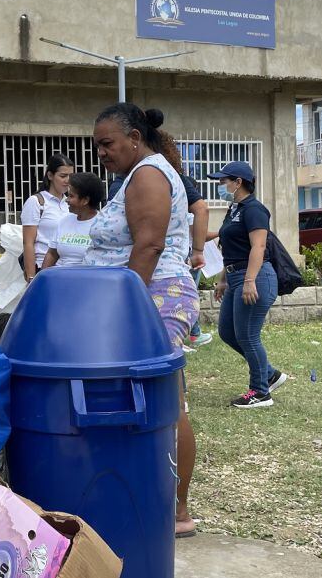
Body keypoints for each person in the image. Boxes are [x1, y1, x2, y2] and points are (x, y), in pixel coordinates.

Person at [83, 103, 199, 538]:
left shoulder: (148, 174)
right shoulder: (137, 175)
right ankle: (155, 500)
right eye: (97, 146)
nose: (101, 153)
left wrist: (125, 309)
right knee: (157, 401)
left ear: (135, 138)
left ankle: (175, 510)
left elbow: (148, 247)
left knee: (166, 403)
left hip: (155, 298)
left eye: (107, 143)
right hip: (144, 297)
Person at [209, 161, 288, 409]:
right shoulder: (234, 209)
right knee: (227, 332)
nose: (221, 185)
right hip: (235, 276)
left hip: (254, 277)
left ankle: (261, 392)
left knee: (248, 336)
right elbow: (230, 248)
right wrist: (223, 279)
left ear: (238, 182)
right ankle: (270, 374)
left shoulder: (254, 210)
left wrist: (249, 281)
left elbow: (258, 247)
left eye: (223, 181)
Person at [157, 132, 213, 350]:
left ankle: (193, 334)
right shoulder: (176, 183)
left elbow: (201, 210)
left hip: (173, 267)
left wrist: (197, 251)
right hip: (180, 264)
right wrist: (198, 251)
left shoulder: (169, 180)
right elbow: (201, 212)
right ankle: (193, 334)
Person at [21, 154, 72, 283]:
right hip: (43, 268)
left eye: (71, 176)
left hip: (67, 269)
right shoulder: (36, 202)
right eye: (63, 176)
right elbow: (28, 242)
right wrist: (31, 277)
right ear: (50, 175)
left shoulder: (70, 203)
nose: (68, 180)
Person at [42, 172, 104, 268]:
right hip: (60, 274)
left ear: (85, 200)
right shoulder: (64, 221)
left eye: (71, 196)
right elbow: (52, 254)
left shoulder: (102, 225)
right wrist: (43, 275)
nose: (66, 200)